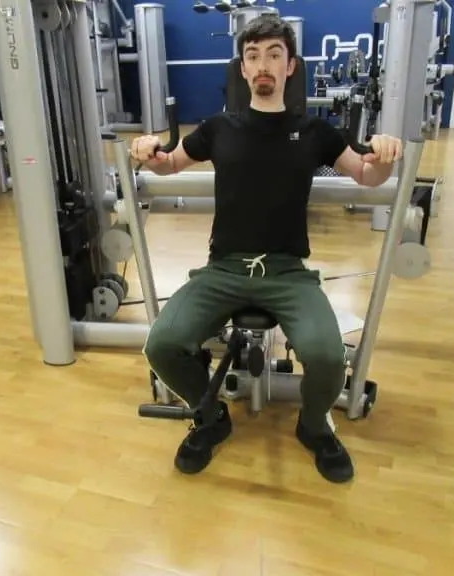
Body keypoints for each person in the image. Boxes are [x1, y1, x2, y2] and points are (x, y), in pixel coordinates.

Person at [128, 15, 402, 484]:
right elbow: (170, 164)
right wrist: (146, 149)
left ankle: (314, 427)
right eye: (253, 56)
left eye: (274, 55)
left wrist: (384, 156)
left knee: (328, 356)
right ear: (242, 67)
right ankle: (211, 417)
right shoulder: (219, 128)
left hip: (286, 270)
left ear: (290, 66)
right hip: (225, 267)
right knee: (162, 344)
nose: (263, 65)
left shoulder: (315, 131)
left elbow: (365, 175)